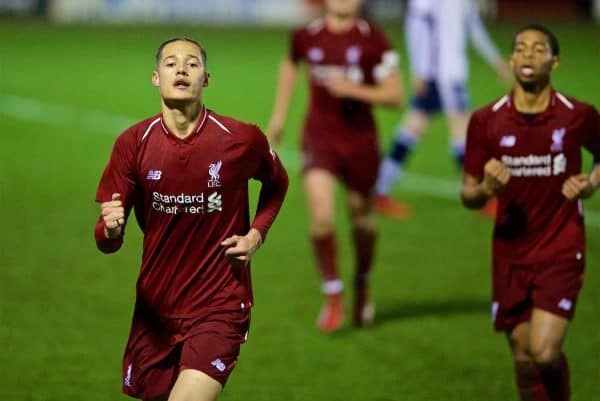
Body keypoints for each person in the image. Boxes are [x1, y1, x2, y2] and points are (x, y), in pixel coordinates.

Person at [94, 37, 288, 401]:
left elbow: (278, 183)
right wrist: (111, 228)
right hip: (155, 311)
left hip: (220, 305)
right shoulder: (133, 143)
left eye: (191, 63)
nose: (181, 69)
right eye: (170, 63)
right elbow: (106, 242)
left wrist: (255, 236)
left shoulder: (240, 140)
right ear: (156, 78)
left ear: (207, 79)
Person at [461, 24, 600, 401]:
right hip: (509, 252)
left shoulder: (578, 115)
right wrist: (487, 190)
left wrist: (591, 183)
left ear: (554, 61)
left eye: (539, 49)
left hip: (561, 247)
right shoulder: (485, 120)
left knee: (545, 351)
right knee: (523, 358)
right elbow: (468, 193)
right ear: (510, 60)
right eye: (521, 48)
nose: (528, 54)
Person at [266, 0, 403, 332]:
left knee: (362, 221)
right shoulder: (306, 35)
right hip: (319, 138)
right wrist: (279, 116)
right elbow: (290, 65)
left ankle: (363, 281)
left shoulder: (374, 39)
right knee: (322, 218)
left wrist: (353, 89)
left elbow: (396, 96)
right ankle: (333, 295)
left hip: (360, 143)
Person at [374, 0, 511, 219]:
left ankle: (379, 191)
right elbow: (417, 26)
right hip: (441, 76)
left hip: (451, 73)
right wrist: (420, 69)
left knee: (413, 128)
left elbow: (473, 27)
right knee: (464, 134)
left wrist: (496, 61)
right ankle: (480, 197)